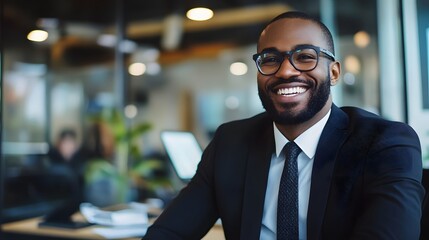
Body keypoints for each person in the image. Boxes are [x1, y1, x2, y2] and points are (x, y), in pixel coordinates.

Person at [143, 11, 425, 240]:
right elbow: (168, 232)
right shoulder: (231, 142)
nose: (286, 71)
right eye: (271, 59)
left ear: (334, 72)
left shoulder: (385, 142)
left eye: (305, 56)